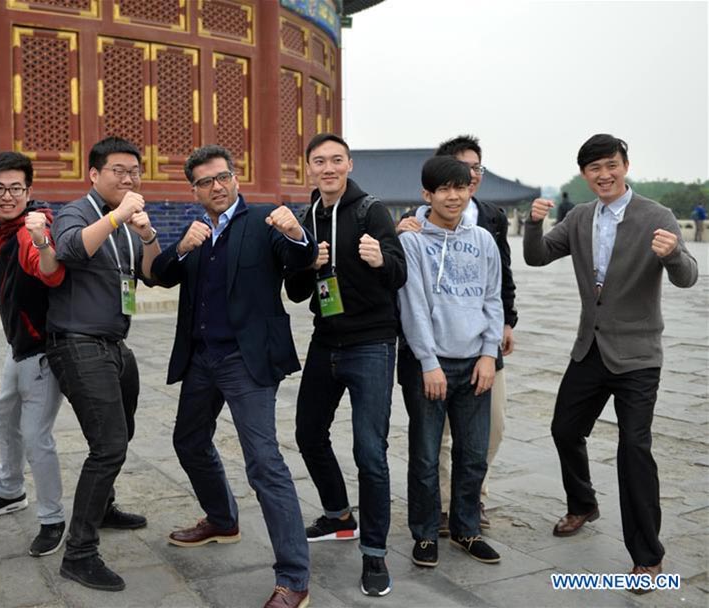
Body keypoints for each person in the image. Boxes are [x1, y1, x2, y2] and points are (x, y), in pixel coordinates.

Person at [523, 134, 698, 591]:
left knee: (633, 450)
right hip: (590, 349)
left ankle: (648, 557)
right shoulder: (581, 217)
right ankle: (583, 504)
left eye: (611, 165)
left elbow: (688, 277)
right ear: (584, 174)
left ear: (625, 166)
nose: (604, 175)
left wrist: (673, 254)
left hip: (638, 356)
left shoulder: (656, 216)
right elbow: (537, 257)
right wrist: (534, 224)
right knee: (564, 429)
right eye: (594, 168)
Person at [151, 145, 314, 608]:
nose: (217, 186)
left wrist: (298, 234)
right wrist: (180, 247)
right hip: (203, 357)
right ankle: (222, 519)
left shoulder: (264, 221)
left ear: (235, 178)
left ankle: (294, 578)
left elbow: (299, 266)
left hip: (247, 359)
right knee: (188, 440)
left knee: (264, 462)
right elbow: (160, 275)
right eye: (205, 181)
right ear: (195, 191)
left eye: (223, 177)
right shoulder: (197, 232)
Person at [285, 133, 406, 597]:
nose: (329, 168)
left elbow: (400, 273)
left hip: (372, 343)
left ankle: (374, 553)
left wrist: (380, 259)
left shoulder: (371, 211)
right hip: (326, 340)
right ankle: (338, 516)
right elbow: (296, 291)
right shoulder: (307, 218)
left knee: (369, 452)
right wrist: (305, 262)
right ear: (309, 168)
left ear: (349, 164)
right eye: (320, 161)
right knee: (308, 433)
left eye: (337, 160)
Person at [45, 136, 160, 592]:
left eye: (134, 170)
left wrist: (147, 236)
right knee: (108, 445)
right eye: (118, 170)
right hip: (78, 343)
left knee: (121, 434)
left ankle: (103, 506)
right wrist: (117, 216)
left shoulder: (128, 221)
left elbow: (149, 274)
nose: (129, 178)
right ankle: (79, 553)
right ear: (94, 174)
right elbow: (70, 249)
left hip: (115, 345)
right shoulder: (76, 212)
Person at [396, 134, 517, 535]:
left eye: (461, 186)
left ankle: (467, 529)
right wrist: (428, 362)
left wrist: (488, 354)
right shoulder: (412, 238)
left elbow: (493, 297)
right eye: (444, 188)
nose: (454, 196)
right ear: (427, 194)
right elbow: (412, 305)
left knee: (475, 452)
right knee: (427, 454)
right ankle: (427, 531)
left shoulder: (484, 237)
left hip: (475, 361)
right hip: (431, 363)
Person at [0, 151, 68, 559]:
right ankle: (10, 490)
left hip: (42, 351)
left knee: (36, 436)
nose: (7, 196)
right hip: (18, 347)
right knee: (4, 418)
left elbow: (48, 271)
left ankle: (52, 518)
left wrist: (40, 239)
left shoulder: (29, 230)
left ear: (29, 190)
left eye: (15, 189)